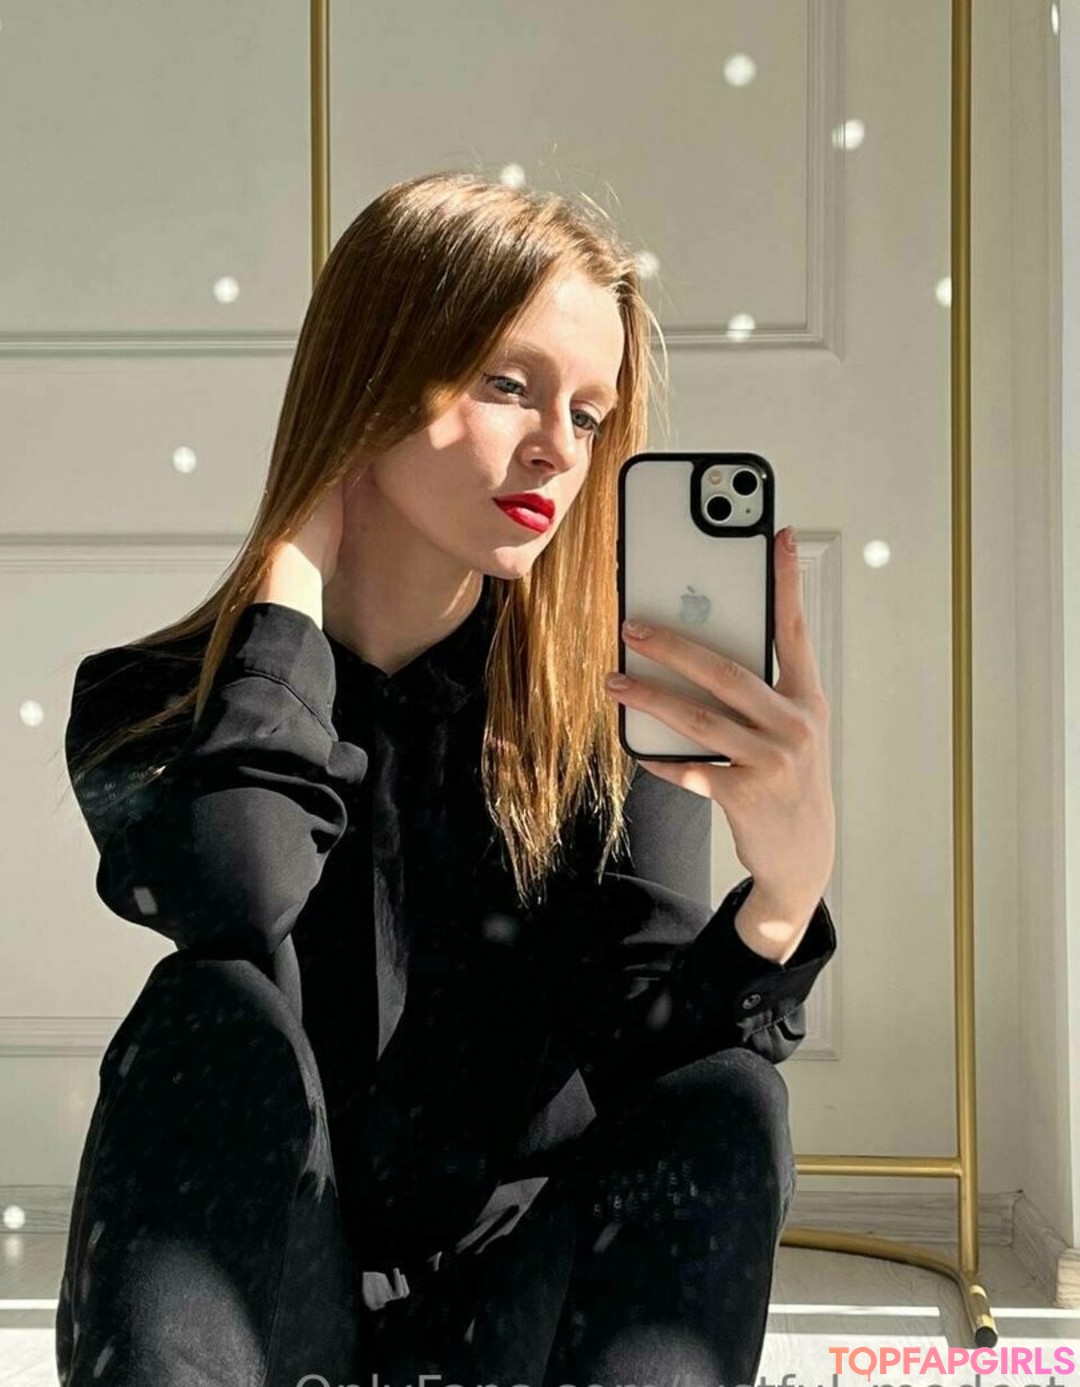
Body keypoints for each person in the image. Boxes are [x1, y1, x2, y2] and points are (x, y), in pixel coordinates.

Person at [58, 170, 837, 1387]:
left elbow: (654, 1064)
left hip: (512, 1320)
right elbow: (238, 895)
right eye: (507, 385)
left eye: (590, 414)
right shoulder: (148, 702)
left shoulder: (603, 719)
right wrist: (293, 567)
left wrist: (783, 895)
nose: (558, 449)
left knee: (733, 1095)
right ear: (371, 381)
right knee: (207, 1012)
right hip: (273, 1311)